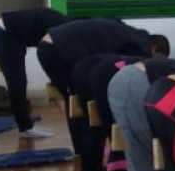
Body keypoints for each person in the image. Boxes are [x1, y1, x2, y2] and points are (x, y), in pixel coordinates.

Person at [37, 18, 165, 111]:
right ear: (154, 48)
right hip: (56, 49)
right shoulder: (140, 45)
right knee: (76, 103)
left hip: (50, 44)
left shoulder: (129, 33)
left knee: (76, 101)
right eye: (157, 58)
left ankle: (84, 145)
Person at [0, 6, 72, 138]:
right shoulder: (60, 29)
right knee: (17, 83)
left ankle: (26, 125)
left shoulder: (63, 27)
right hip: (4, 33)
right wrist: (58, 95)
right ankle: (25, 128)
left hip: (14, 35)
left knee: (19, 82)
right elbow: (52, 62)